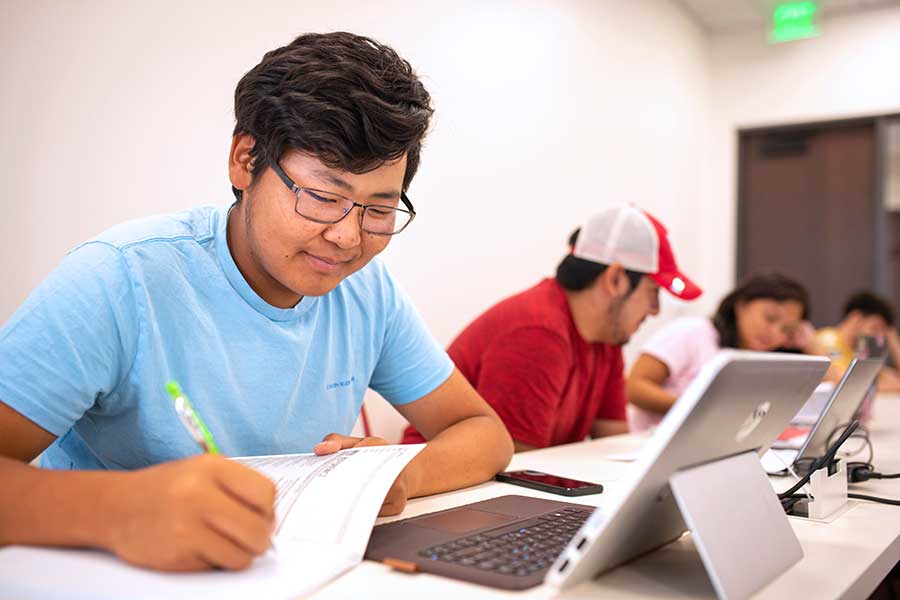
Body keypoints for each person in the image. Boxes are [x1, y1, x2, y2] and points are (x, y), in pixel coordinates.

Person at [0, 32, 513, 573]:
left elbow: (483, 434)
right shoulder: (122, 276)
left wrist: (397, 474)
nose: (347, 237)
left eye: (378, 210)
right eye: (323, 197)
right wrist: (119, 510)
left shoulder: (367, 291)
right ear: (246, 161)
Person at [402, 205, 701, 451]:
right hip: (440, 492)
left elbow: (613, 443)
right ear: (616, 280)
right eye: (653, 292)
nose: (655, 310)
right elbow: (517, 467)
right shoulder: (538, 331)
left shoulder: (607, 340)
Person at [627, 273, 830, 431]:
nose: (775, 333)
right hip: (646, 445)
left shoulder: (769, 360)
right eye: (769, 318)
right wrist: (701, 409)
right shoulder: (693, 332)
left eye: (787, 329)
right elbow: (634, 387)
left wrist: (813, 347)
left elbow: (840, 396)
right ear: (741, 306)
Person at [817, 291, 900, 392]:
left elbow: (895, 380)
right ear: (855, 318)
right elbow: (845, 383)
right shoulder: (826, 341)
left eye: (883, 332)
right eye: (874, 328)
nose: (878, 337)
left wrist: (894, 343)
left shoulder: (860, 352)